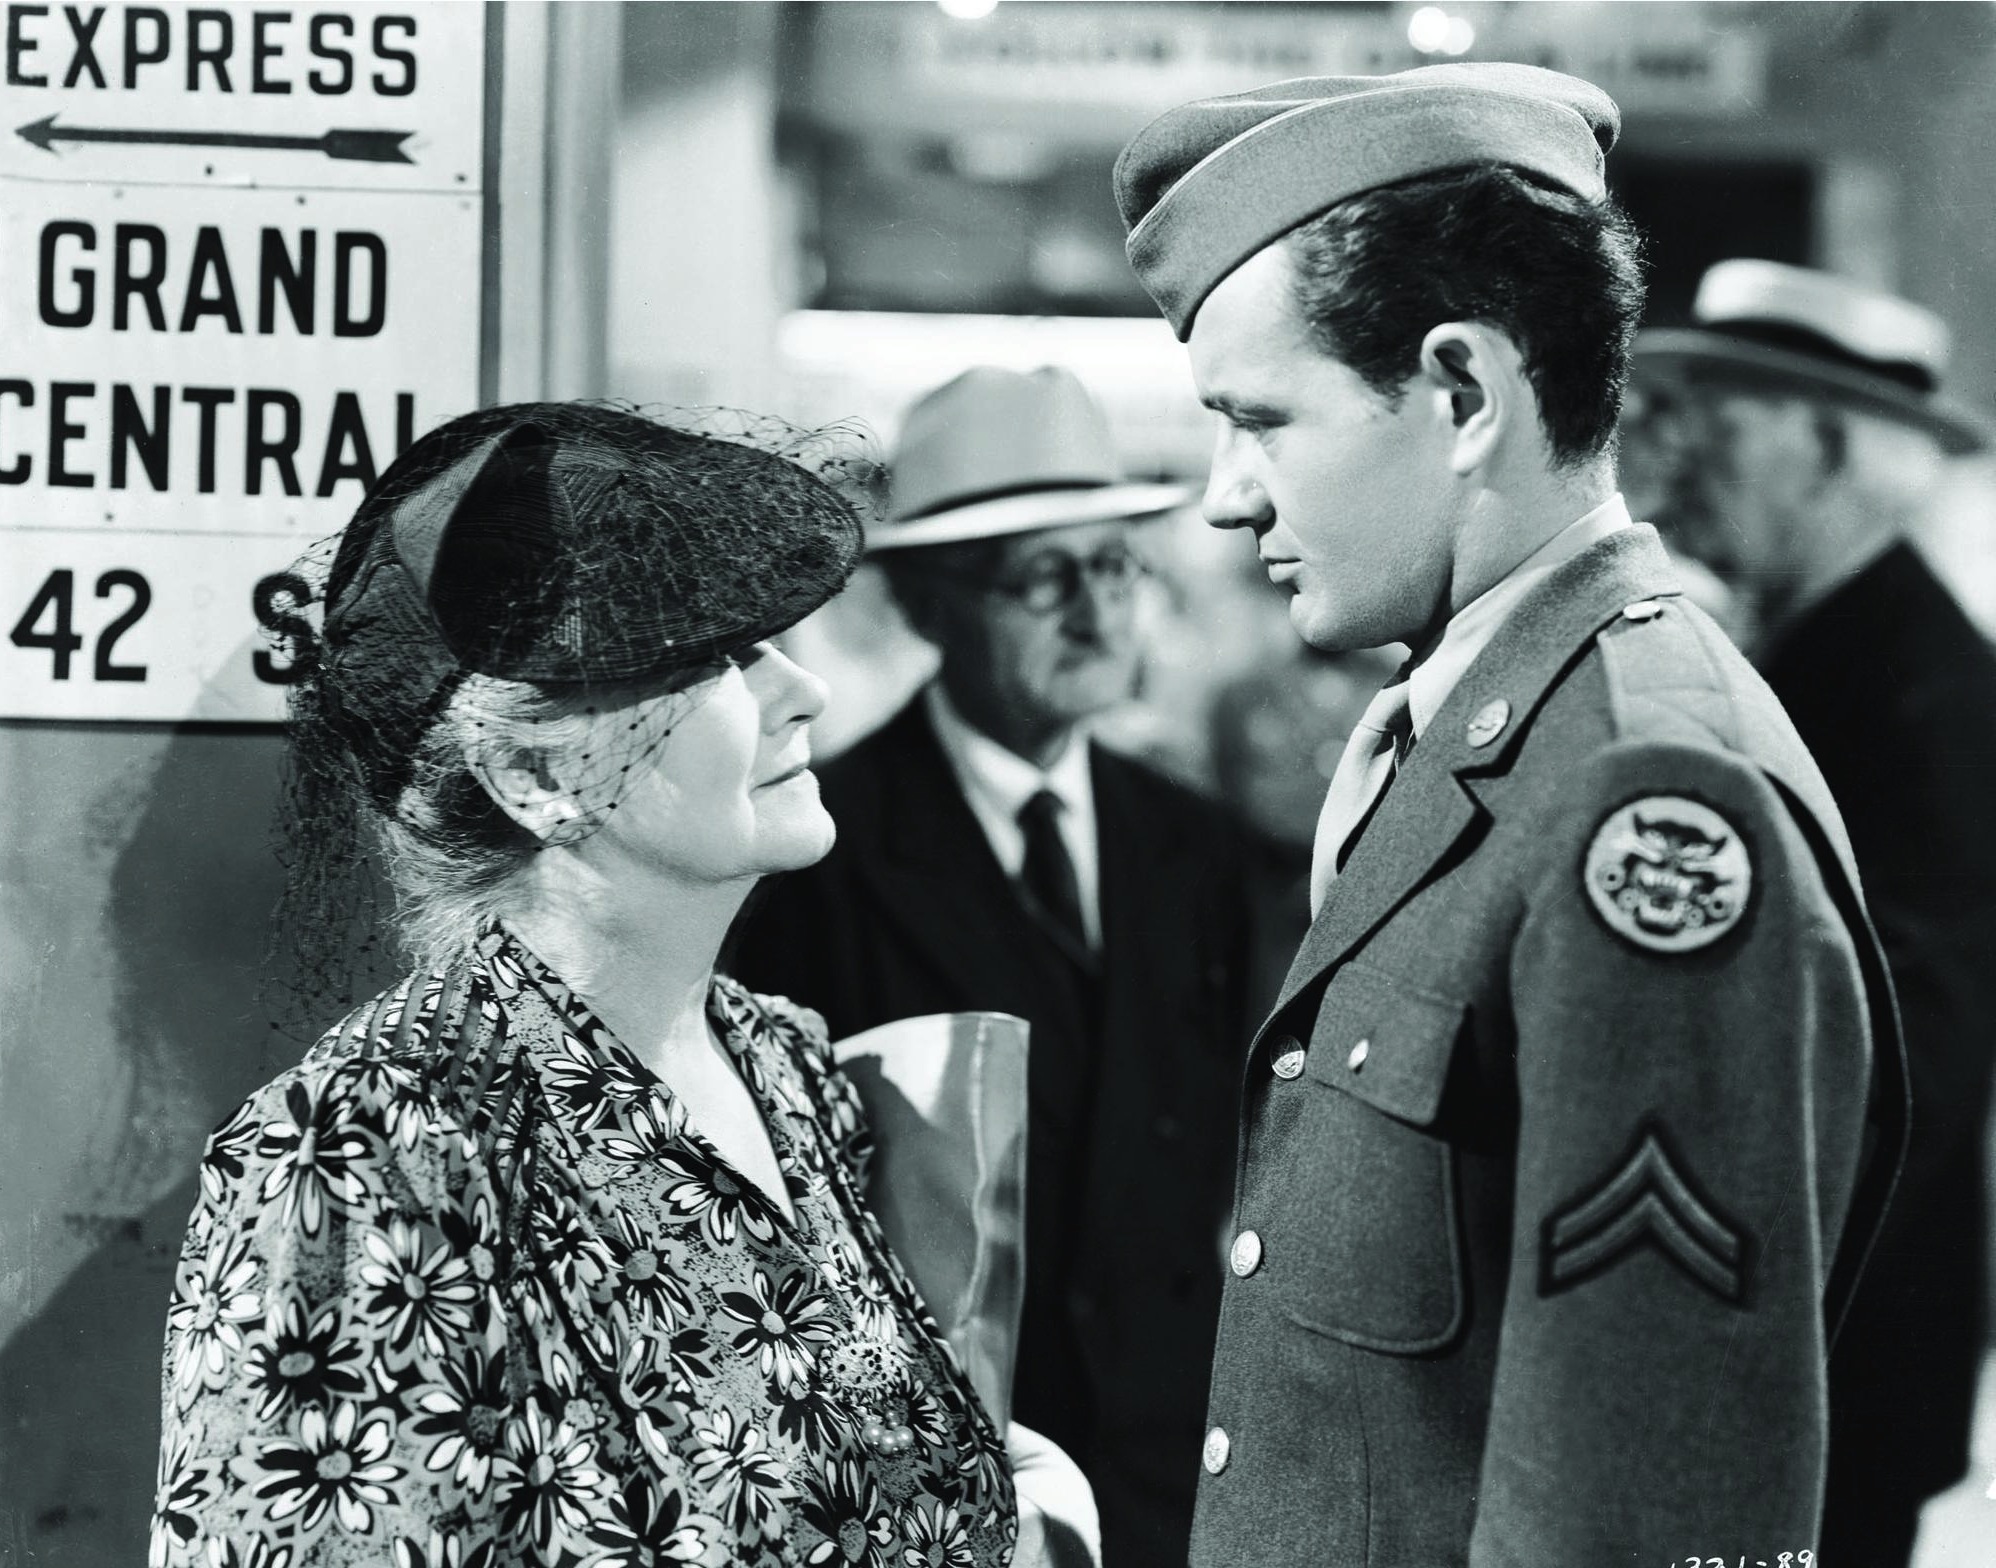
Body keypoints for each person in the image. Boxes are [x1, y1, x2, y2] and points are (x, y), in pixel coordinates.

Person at [1111, 63, 1908, 1563]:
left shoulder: (1648, 792)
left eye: (1261, 420)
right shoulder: (1489, 726)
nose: (1225, 497)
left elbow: (1638, 1501)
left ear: (1464, 393)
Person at [150, 402, 1086, 1567]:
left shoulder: (788, 1064)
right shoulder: (363, 1153)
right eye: (716, 657)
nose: (805, 689)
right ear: (533, 774)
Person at [729, 366, 1268, 1568]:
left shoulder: (1193, 847)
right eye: (1044, 577)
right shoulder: (816, 854)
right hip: (956, 1489)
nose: (1095, 612)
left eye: (1113, 566)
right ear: (928, 605)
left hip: (1169, 1477)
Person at [1635, 260, 1996, 1568]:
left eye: (1722, 425)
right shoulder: (1823, 650)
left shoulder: (1926, 693)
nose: (1681, 457)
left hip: (1832, 1359)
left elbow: (1915, 1057)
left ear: (1830, 446)